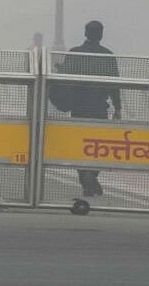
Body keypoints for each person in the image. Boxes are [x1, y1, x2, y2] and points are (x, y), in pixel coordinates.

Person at [58, 20, 122, 197]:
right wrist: (118, 108)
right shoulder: (107, 56)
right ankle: (91, 174)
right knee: (98, 145)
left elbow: (65, 78)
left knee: (80, 144)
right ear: (101, 35)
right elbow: (114, 85)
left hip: (78, 106)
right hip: (99, 107)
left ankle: (85, 177)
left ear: (85, 33)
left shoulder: (74, 53)